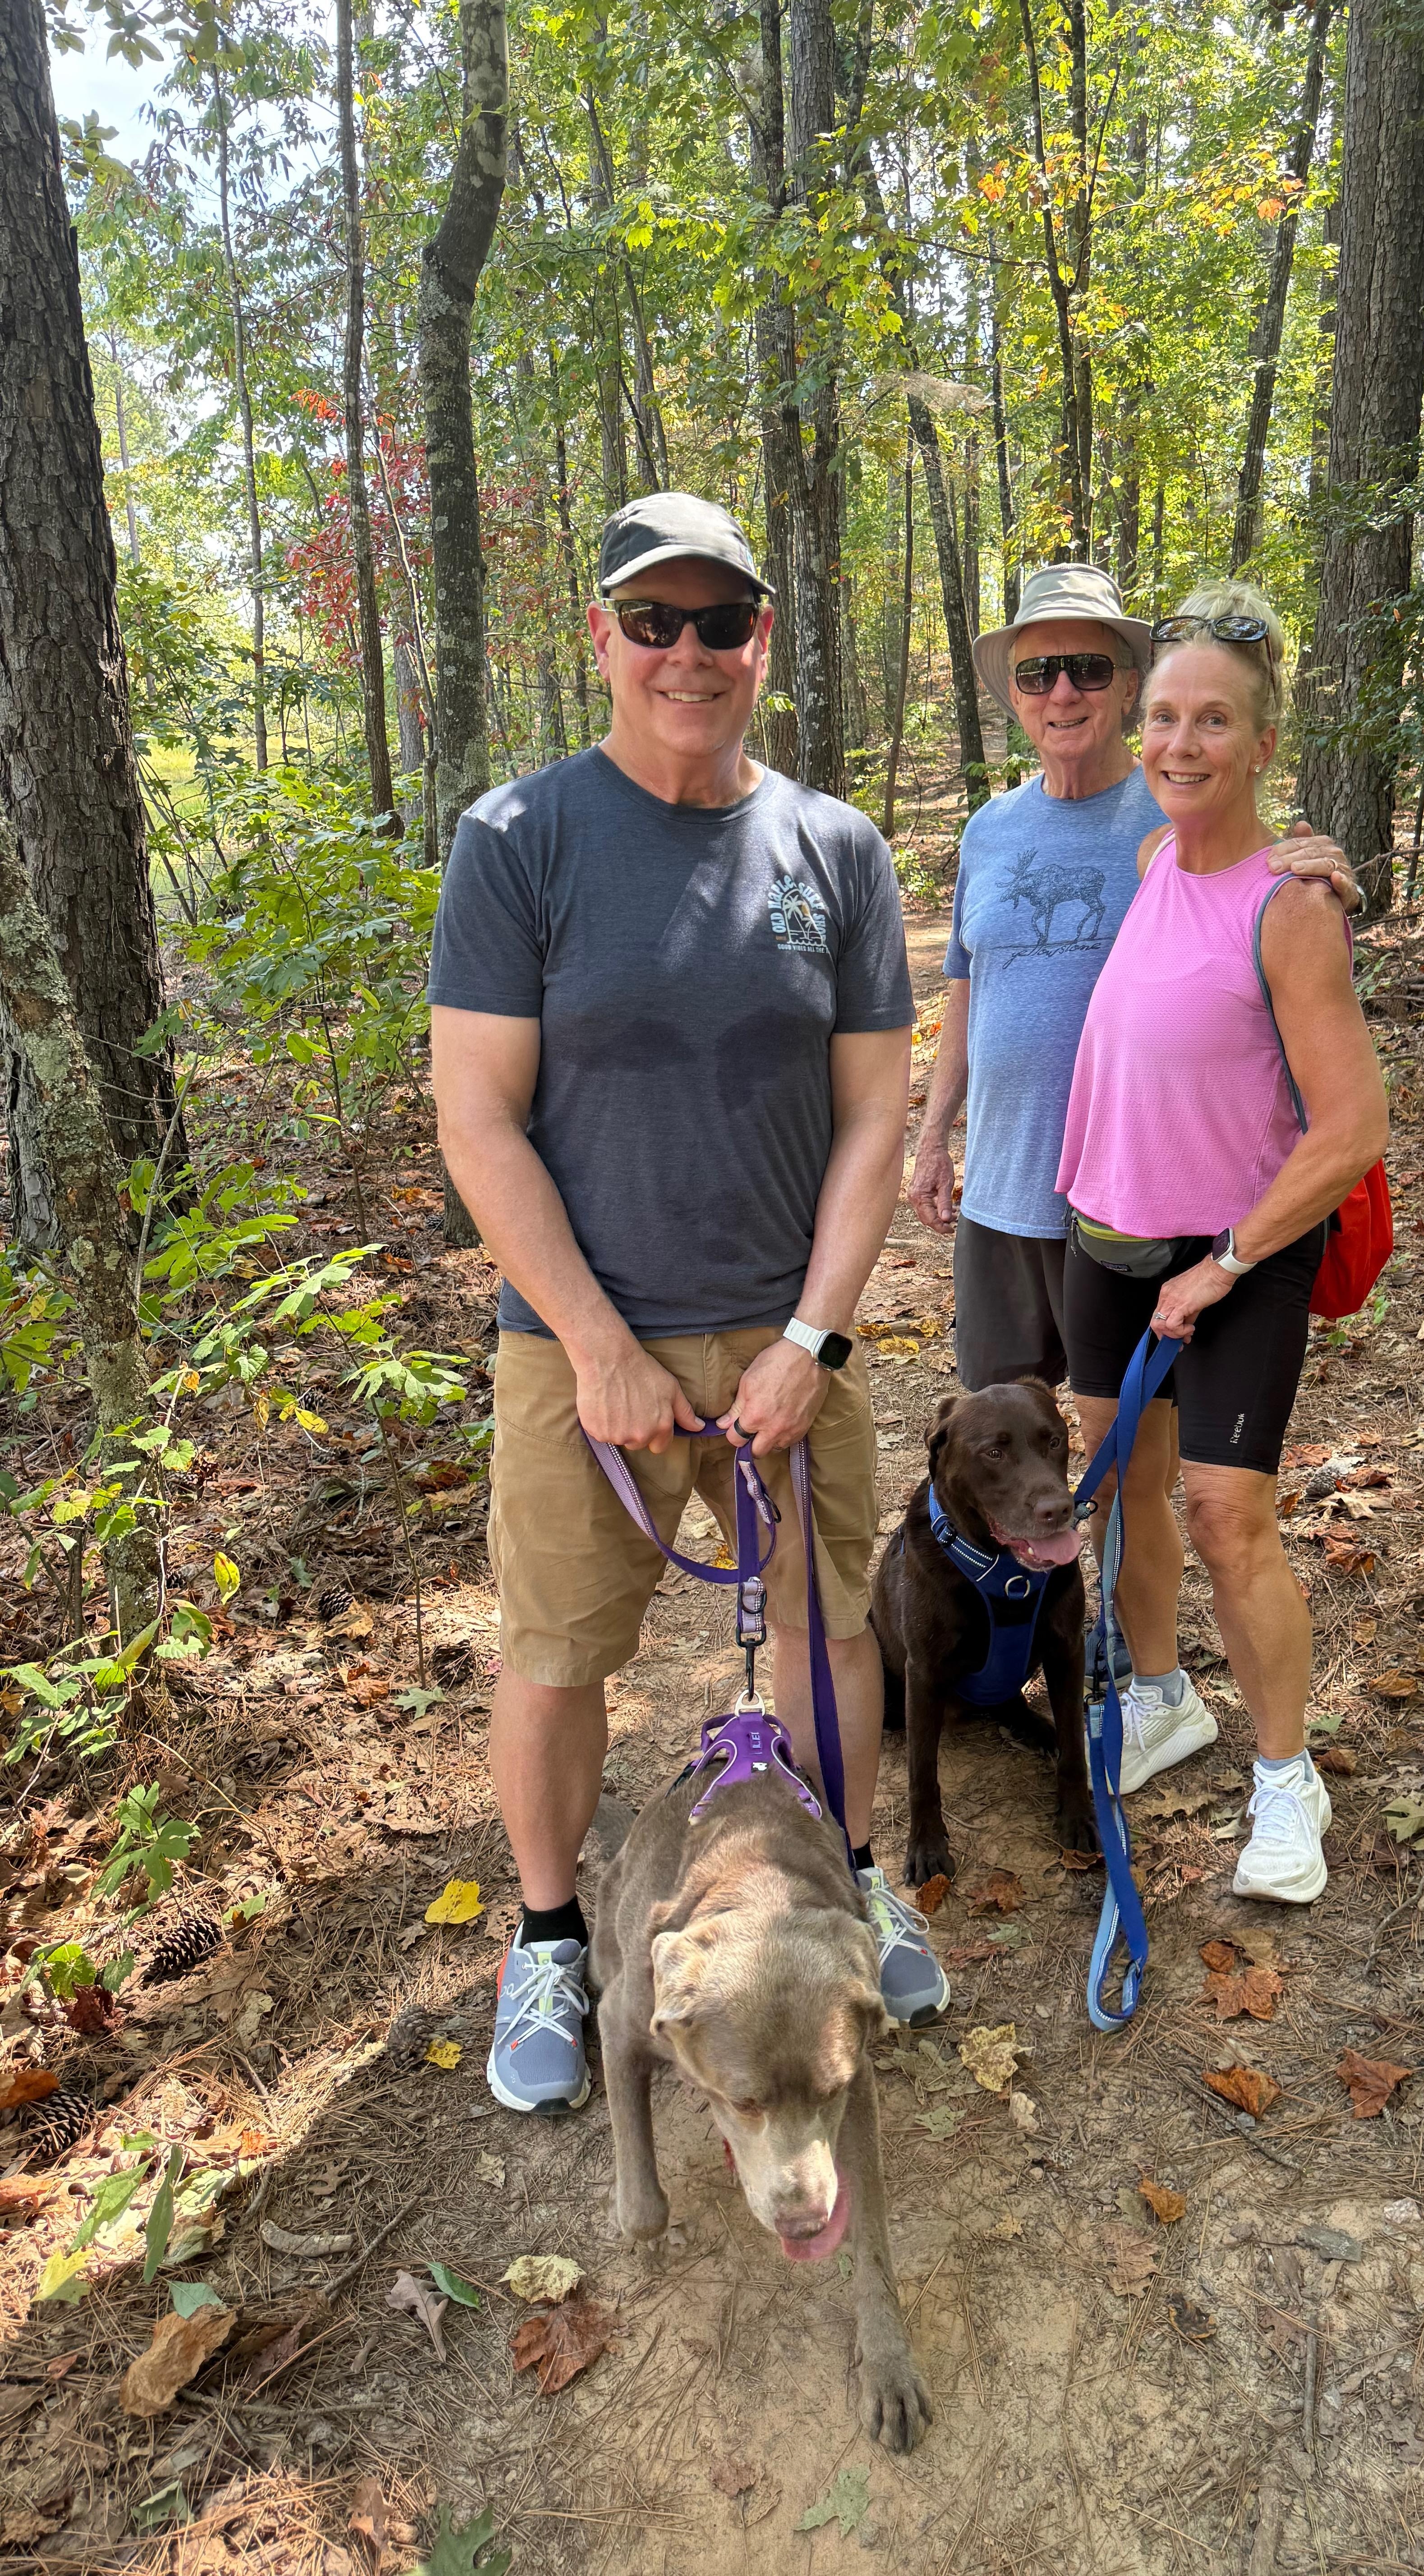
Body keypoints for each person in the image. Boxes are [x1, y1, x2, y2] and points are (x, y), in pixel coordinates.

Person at [429, 492, 949, 2116]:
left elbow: (876, 1108)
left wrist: (811, 1338)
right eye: (651, 621)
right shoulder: (520, 842)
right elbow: (476, 1115)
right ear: (601, 638)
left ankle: (849, 1881)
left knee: (827, 1631)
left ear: (761, 644)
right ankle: (551, 1937)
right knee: (556, 1650)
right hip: (572, 1344)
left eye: (717, 622)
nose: (685, 653)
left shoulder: (834, 850)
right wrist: (591, 1343)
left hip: (781, 1338)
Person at [907, 562, 1359, 1793]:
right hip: (1026, 1199)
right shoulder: (1010, 831)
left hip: (1164, 1214)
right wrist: (931, 1131)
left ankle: (1222, 1734)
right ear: (1008, 688)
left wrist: (1320, 864)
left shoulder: (1171, 827)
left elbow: (1260, 891)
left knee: (1175, 1490)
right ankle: (1031, 1661)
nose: (1063, 691)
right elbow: (967, 989)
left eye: (1089, 669)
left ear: (1122, 683)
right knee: (1038, 1467)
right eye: (1035, 670)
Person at [1055, 580, 1389, 1904]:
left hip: (1235, 1248)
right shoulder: (1149, 859)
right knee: (1122, 1481)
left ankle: (1283, 1780)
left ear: (1261, 746)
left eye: (1212, 723)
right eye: (1162, 718)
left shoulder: (1293, 905)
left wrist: (1228, 1261)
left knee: (1225, 1515)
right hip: (1108, 1233)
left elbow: (1350, 1127)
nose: (1177, 744)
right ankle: (1157, 1697)